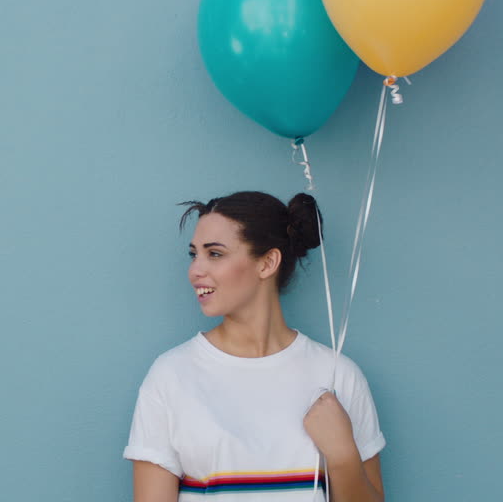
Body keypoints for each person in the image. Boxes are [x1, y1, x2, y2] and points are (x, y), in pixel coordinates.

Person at [124, 191, 386, 502]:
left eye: (215, 253)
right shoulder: (171, 375)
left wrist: (343, 458)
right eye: (194, 254)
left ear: (267, 263)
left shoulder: (338, 375)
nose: (195, 270)